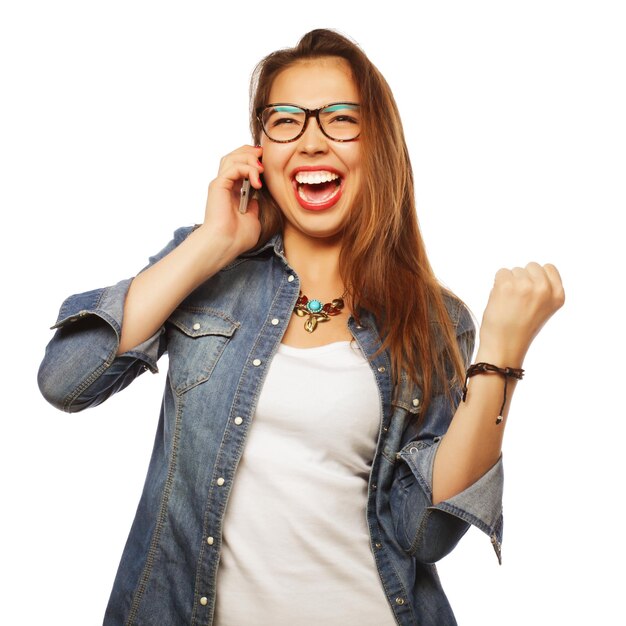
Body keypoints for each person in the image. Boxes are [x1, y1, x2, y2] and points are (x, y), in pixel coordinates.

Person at [38, 28, 564, 626]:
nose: (312, 141)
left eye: (340, 119)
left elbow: (426, 532)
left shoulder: (434, 318)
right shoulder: (207, 271)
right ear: (260, 146)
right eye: (285, 120)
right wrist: (213, 242)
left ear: (378, 145)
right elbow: (66, 380)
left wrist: (499, 358)